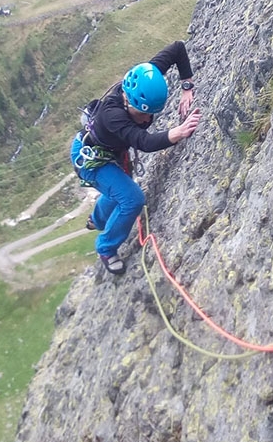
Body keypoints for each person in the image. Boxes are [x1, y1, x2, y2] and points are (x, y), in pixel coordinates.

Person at [70, 41, 200, 275]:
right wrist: (178, 132)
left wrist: (187, 86)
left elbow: (178, 49)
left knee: (118, 190)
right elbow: (144, 142)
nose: (145, 119)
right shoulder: (113, 116)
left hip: (112, 152)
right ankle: (106, 248)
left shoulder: (146, 77)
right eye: (142, 114)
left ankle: (98, 220)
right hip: (92, 159)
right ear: (129, 101)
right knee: (131, 199)